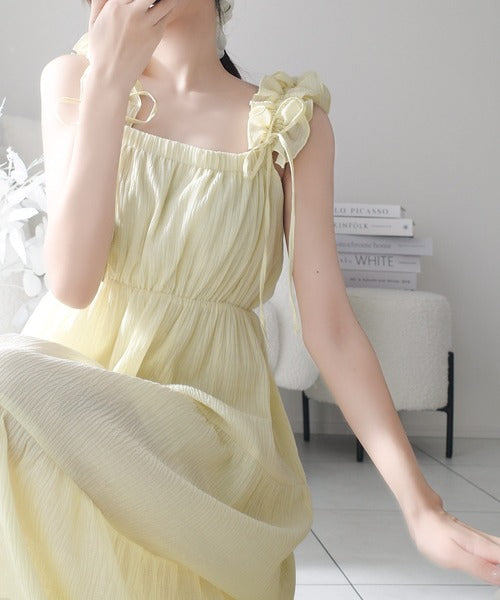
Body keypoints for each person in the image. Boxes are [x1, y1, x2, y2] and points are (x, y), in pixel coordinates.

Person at [0, 0, 499, 598]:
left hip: (208, 428)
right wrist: (108, 82)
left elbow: (332, 329)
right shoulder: (75, 79)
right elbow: (73, 283)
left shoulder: (290, 125)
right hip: (78, 407)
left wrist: (422, 507)